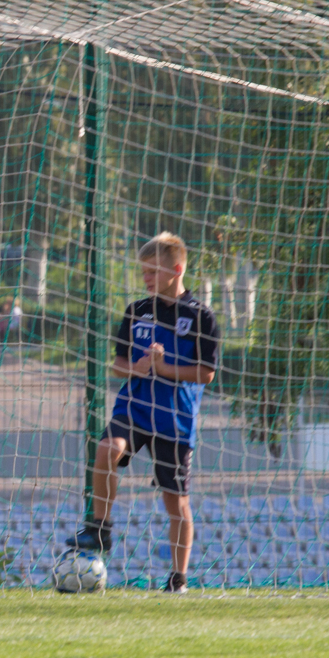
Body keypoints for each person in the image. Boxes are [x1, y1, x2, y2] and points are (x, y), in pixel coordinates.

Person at [66, 232, 218, 593]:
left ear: (176, 270)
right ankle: (100, 529)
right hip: (135, 407)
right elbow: (118, 364)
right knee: (107, 449)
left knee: (176, 502)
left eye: (153, 271)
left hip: (174, 419)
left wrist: (165, 369)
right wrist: (136, 367)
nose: (146, 278)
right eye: (144, 271)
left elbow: (206, 373)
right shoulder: (136, 311)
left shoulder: (201, 316)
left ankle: (178, 579)